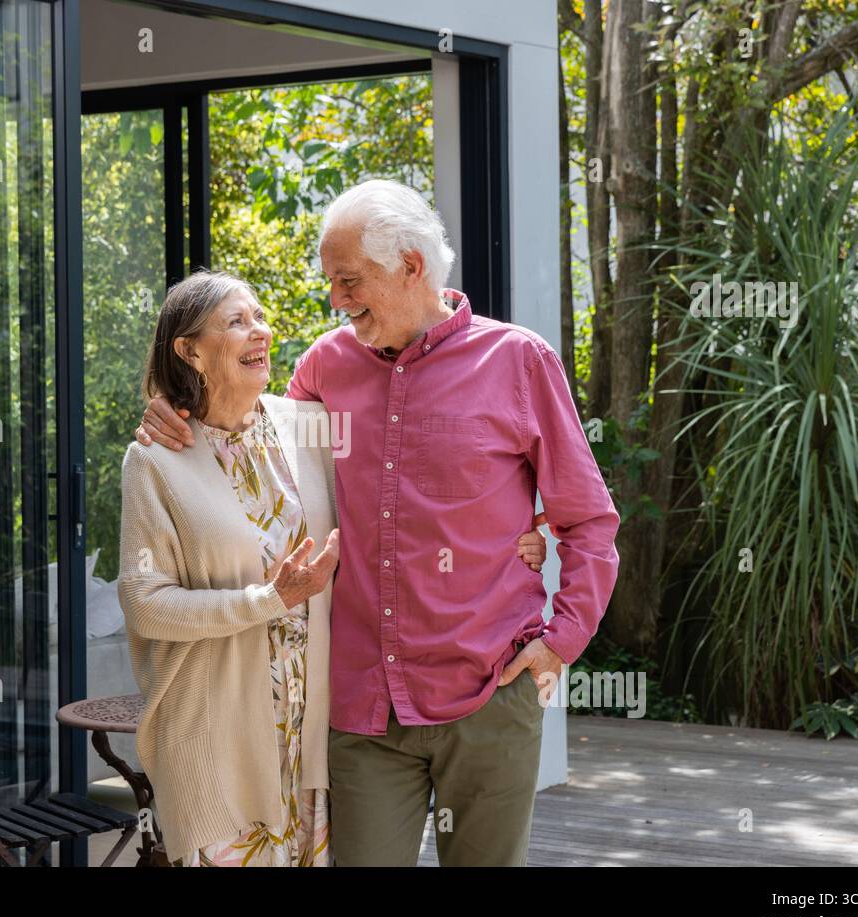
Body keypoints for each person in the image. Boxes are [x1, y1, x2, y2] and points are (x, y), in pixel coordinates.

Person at [136, 180, 619, 866]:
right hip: (363, 709)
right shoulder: (326, 368)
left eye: (349, 280)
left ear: (411, 267)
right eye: (331, 281)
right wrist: (171, 404)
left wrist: (563, 639)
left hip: (488, 694)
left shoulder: (517, 360)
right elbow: (241, 428)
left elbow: (590, 520)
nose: (336, 299)